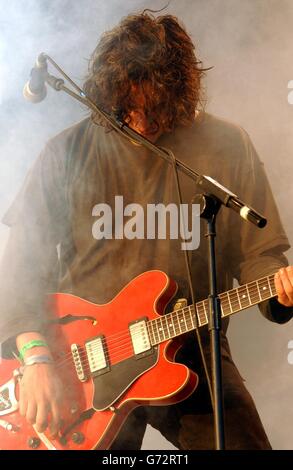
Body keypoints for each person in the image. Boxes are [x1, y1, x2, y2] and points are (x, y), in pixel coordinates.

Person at [0, 12, 293, 450]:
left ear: (178, 93)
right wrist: (37, 357)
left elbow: (259, 255)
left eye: (151, 106)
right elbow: (21, 269)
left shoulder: (225, 145)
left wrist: (278, 288)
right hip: (81, 362)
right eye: (126, 105)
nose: (138, 118)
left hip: (192, 346)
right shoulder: (67, 152)